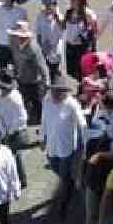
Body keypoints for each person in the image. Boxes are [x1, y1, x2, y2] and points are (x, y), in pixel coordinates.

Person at [41, 76, 87, 216]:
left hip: (66, 148)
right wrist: (42, 138)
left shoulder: (72, 104)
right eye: (54, 91)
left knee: (64, 176)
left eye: (58, 92)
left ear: (65, 92)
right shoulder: (47, 100)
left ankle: (64, 204)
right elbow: (44, 120)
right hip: (51, 146)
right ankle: (70, 184)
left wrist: (84, 146)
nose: (55, 94)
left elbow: (82, 125)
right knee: (57, 168)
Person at [7, 18, 50, 123]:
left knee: (37, 102)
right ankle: (26, 116)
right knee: (23, 100)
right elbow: (13, 57)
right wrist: (11, 66)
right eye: (17, 36)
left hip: (35, 81)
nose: (18, 38)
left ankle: (40, 119)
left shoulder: (33, 48)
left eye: (20, 36)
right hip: (21, 78)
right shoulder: (13, 43)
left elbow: (42, 67)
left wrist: (46, 83)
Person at [0, 73, 29, 188]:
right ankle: (19, 180)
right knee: (15, 157)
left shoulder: (11, 98)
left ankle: (18, 181)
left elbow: (22, 118)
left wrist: (9, 132)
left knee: (13, 158)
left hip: (15, 134)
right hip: (10, 133)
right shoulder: (8, 97)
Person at [62, 0, 98, 80]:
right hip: (70, 46)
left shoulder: (88, 13)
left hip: (82, 48)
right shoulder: (69, 12)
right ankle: (81, 86)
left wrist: (85, 35)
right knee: (72, 71)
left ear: (80, 0)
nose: (71, 1)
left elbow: (94, 30)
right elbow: (63, 26)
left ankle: (83, 89)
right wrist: (56, 15)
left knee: (84, 71)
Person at [0, 0, 26, 69]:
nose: (1, 1)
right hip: (1, 45)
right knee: (2, 70)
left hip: (13, 46)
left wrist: (15, 30)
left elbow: (24, 29)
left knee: (15, 70)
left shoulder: (21, 12)